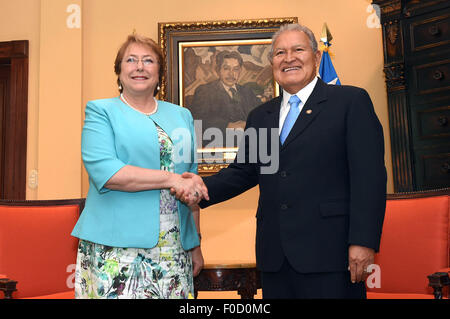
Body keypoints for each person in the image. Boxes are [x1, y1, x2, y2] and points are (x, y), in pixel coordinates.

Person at [177, 24, 387, 298]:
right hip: (275, 256)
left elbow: (369, 178)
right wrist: (199, 188)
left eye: (298, 50)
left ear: (316, 57)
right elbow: (244, 171)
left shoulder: (350, 102)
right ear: (272, 63)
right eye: (279, 53)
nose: (289, 58)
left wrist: (363, 241)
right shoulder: (261, 115)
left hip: (331, 254)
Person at [71, 33, 208, 299]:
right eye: (131, 60)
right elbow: (108, 173)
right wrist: (172, 179)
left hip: (174, 248)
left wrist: (195, 243)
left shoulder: (182, 115)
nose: (139, 67)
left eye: (148, 61)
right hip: (116, 248)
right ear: (119, 71)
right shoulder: (101, 111)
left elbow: (191, 182)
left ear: (159, 73)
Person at [189, 50, 261, 147]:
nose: (231, 74)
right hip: (217, 148)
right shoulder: (204, 91)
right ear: (218, 70)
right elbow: (196, 121)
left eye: (236, 69)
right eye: (226, 68)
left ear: (240, 70)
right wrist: (228, 125)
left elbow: (260, 116)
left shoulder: (247, 92)